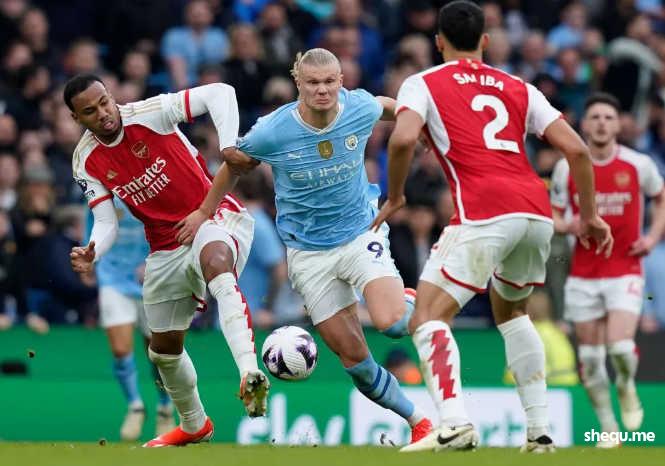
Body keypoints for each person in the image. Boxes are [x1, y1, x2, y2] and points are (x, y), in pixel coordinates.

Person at [371, 0, 612, 453]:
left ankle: (454, 422)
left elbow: (401, 139)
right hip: (536, 212)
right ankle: (539, 432)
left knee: (427, 315)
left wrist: (397, 195)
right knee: (513, 314)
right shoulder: (520, 86)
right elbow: (578, 150)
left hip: (484, 210)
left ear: (438, 42)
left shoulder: (422, 82)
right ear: (485, 40)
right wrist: (590, 215)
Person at [178, 48, 433, 445]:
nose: (322, 90)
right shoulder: (272, 130)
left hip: (360, 234)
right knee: (356, 362)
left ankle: (412, 300)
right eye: (313, 83)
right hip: (308, 255)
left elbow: (386, 106)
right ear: (298, 83)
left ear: (341, 81)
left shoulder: (358, 107)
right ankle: (420, 423)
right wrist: (203, 213)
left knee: (393, 324)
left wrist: (420, 124)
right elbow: (232, 166)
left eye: (330, 81)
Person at [64, 74, 269, 447]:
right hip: (164, 245)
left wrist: (227, 147)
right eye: (90, 111)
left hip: (211, 215)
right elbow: (106, 222)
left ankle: (250, 372)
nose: (104, 113)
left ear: (111, 96)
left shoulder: (150, 112)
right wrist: (94, 249)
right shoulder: (85, 160)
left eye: (105, 102)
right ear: (77, 118)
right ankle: (194, 425)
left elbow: (221, 92)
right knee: (162, 351)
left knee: (217, 265)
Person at [550, 92, 665, 448]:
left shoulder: (638, 164)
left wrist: (652, 237)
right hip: (583, 273)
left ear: (619, 125)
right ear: (584, 125)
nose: (601, 123)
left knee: (619, 347)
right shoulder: (567, 167)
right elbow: (554, 214)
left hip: (625, 267)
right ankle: (608, 428)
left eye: (608, 117)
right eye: (595, 117)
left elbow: (661, 197)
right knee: (589, 358)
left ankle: (627, 384)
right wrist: (567, 225)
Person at [85, 198, 175, 441]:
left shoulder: (151, 187)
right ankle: (135, 407)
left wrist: (156, 260)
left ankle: (165, 408)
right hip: (112, 278)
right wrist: (89, 257)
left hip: (153, 279)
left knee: (158, 354)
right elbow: (93, 225)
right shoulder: (101, 191)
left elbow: (171, 226)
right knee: (120, 349)